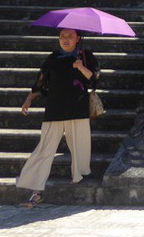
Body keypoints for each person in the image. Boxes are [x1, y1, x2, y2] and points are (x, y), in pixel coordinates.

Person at [17, 28, 100, 207]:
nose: (65, 39)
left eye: (70, 36)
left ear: (78, 38)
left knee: (79, 145)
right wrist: (29, 99)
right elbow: (41, 81)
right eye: (62, 36)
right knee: (44, 148)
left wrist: (80, 67)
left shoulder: (86, 55)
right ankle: (36, 189)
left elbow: (94, 79)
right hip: (54, 109)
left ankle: (77, 174)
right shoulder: (53, 58)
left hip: (77, 107)